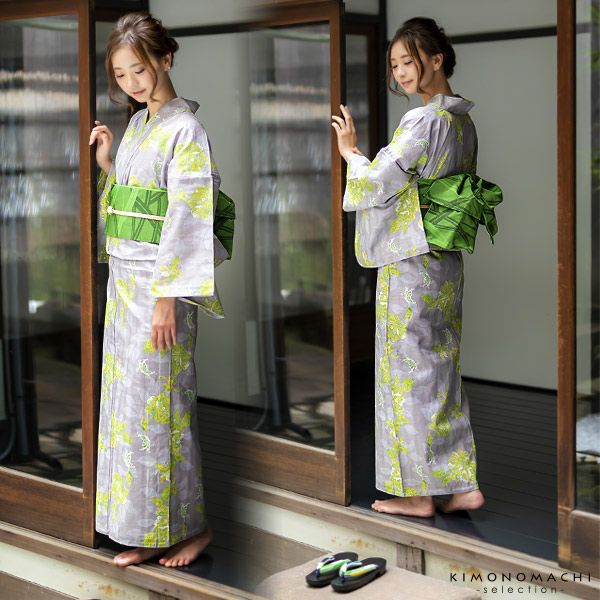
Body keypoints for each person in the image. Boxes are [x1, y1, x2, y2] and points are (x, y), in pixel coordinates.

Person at [332, 17, 485, 517]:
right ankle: (461, 484)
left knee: (408, 370)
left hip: (412, 261)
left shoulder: (423, 121)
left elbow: (379, 182)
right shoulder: (461, 122)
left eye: (408, 61)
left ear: (436, 60)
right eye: (394, 64)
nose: (399, 72)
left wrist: (352, 154)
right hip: (444, 262)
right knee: (440, 367)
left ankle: (419, 494)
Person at [89, 12, 228, 567]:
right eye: (121, 75)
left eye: (139, 71)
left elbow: (187, 216)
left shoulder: (185, 130)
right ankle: (142, 527)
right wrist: (109, 164)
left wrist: (169, 298)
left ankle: (186, 528)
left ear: (165, 59)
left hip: (157, 289)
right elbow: (131, 203)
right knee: (129, 406)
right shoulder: (139, 125)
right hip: (125, 284)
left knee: (162, 404)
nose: (131, 83)